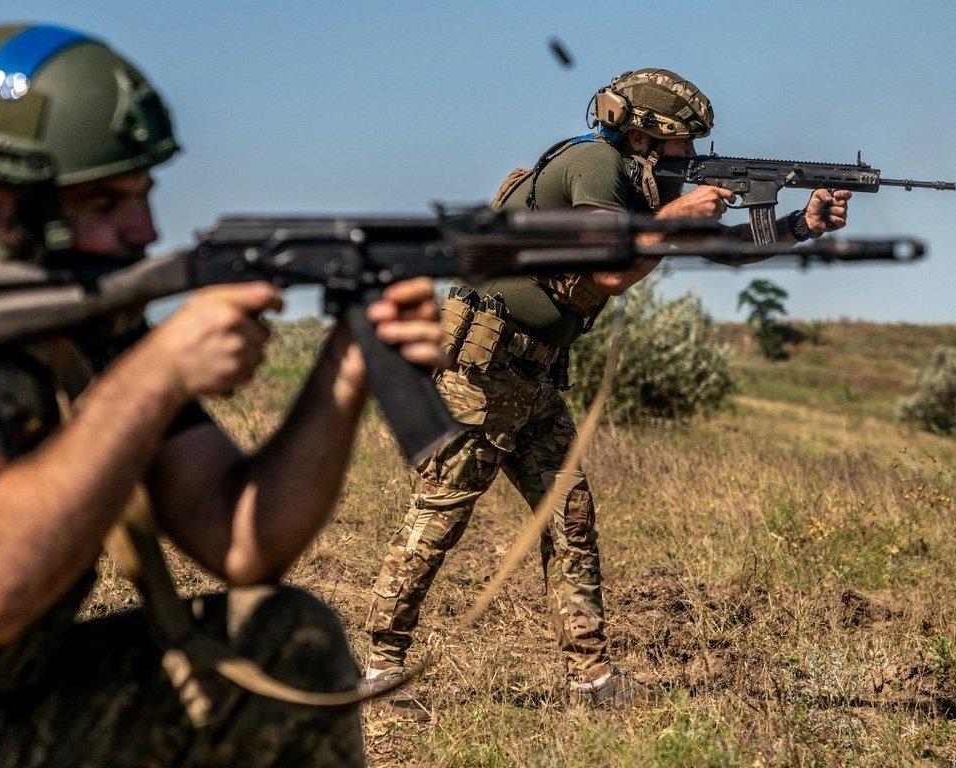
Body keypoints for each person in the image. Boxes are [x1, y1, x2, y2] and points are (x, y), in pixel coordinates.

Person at [0, 23, 443, 767]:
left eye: (145, 192)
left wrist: (344, 371)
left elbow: (241, 539)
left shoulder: (81, 319)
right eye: (107, 201)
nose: (146, 228)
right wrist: (155, 374)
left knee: (286, 643)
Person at [362, 68, 850, 704]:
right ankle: (380, 665)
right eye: (685, 146)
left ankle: (590, 677)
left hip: (535, 375)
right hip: (485, 371)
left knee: (570, 519)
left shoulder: (637, 191)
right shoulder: (597, 164)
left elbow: (723, 249)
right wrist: (675, 214)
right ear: (647, 134)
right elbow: (608, 268)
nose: (695, 159)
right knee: (440, 518)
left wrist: (801, 225)